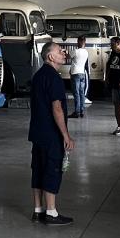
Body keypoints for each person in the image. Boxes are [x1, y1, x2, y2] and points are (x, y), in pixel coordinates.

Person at [28, 41, 76, 225]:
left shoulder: (39, 75)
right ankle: (51, 212)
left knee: (38, 169)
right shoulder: (54, 78)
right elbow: (57, 108)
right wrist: (65, 135)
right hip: (51, 134)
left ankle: (38, 210)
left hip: (37, 132)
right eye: (59, 51)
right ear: (50, 56)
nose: (63, 53)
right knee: (52, 169)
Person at [68, 35, 89, 119]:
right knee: (81, 93)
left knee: (76, 93)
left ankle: (76, 112)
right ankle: (82, 111)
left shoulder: (76, 51)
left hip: (75, 73)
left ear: (80, 42)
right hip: (82, 73)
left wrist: (65, 52)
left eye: (77, 41)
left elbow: (68, 57)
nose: (77, 43)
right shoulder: (86, 52)